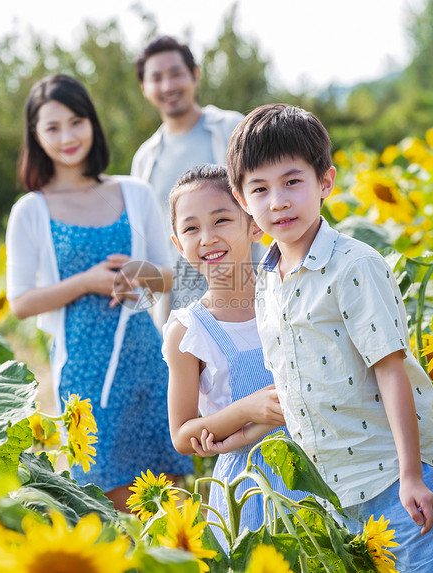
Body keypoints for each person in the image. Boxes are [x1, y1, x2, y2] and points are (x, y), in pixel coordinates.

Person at [226, 104, 433, 571]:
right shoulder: (267, 280)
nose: (277, 201)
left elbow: (390, 370)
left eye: (292, 182)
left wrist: (411, 476)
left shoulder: (353, 265)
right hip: (329, 495)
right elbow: (300, 390)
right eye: (260, 189)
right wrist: (232, 435)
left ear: (326, 182)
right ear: (242, 200)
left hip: (394, 480)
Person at [5, 74, 193, 510]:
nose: (68, 136)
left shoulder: (134, 191)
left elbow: (168, 274)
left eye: (77, 121)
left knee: (172, 501)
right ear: (35, 135)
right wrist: (85, 282)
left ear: (92, 123)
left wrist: (137, 275)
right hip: (82, 371)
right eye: (52, 127)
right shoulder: (30, 210)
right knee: (103, 502)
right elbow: (20, 302)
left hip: (146, 357)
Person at [162, 164, 307, 545]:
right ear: (178, 244)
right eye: (191, 228)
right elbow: (182, 435)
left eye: (222, 220)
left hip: (316, 468)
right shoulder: (188, 331)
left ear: (254, 225)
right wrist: (246, 412)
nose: (207, 238)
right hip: (247, 491)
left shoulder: (291, 297)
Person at [131, 35, 246, 316]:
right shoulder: (145, 159)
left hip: (245, 299)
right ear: (144, 88)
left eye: (176, 73)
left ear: (194, 75)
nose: (168, 85)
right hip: (179, 311)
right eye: (156, 78)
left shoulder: (233, 128)